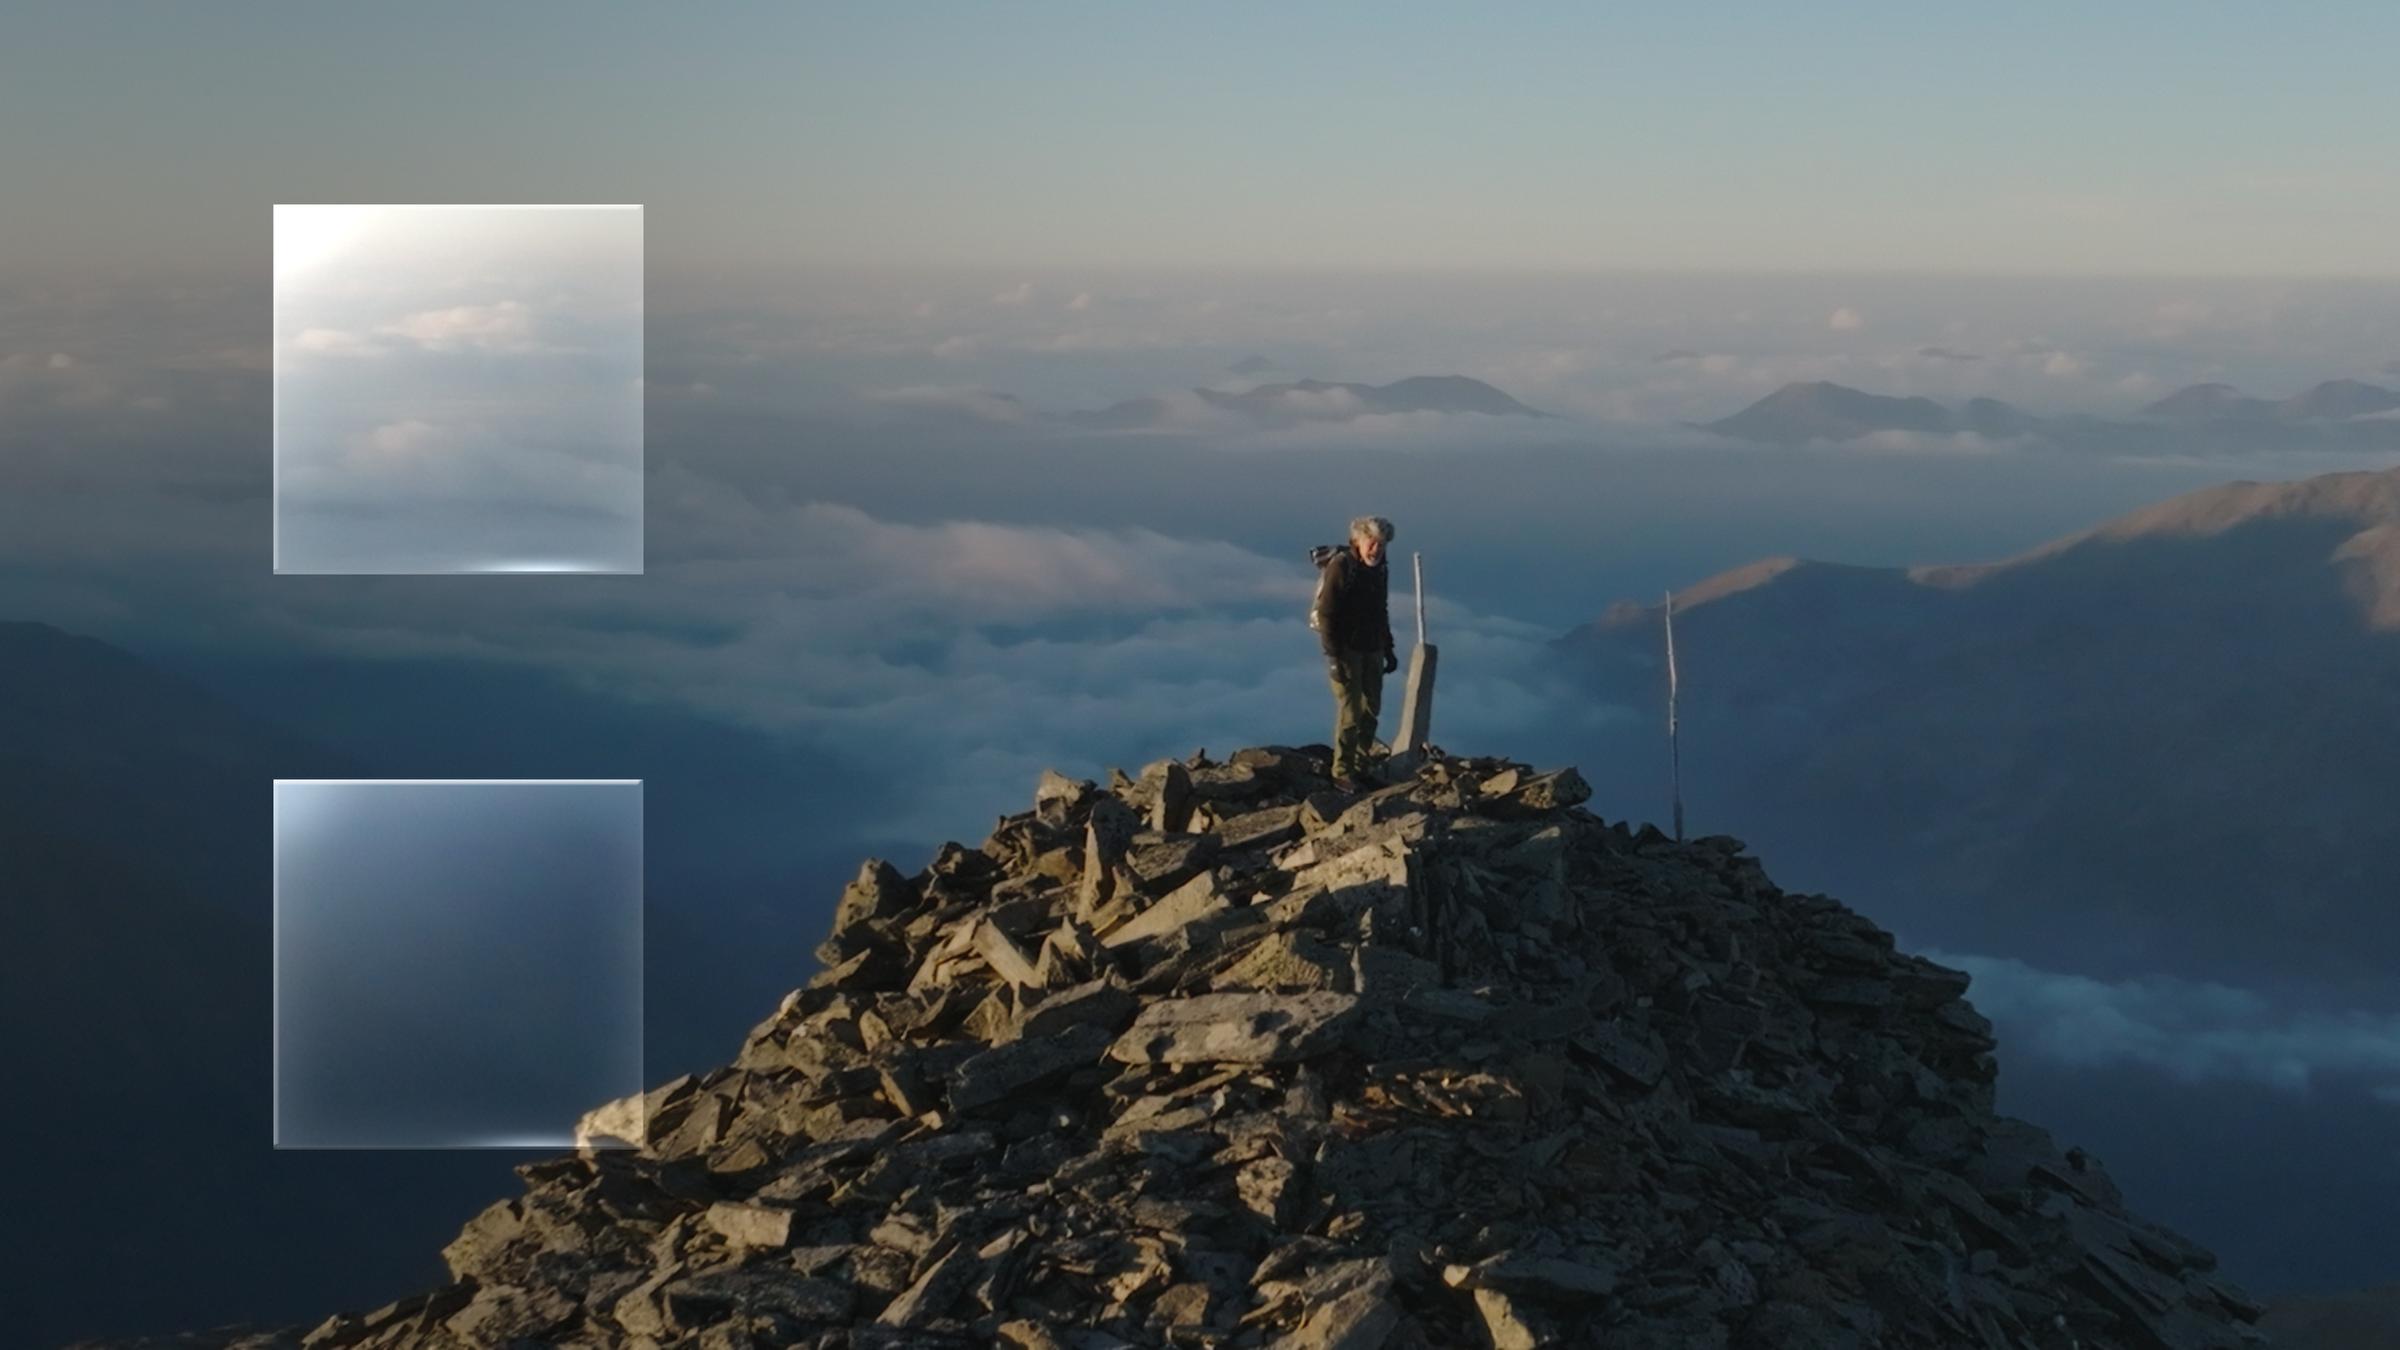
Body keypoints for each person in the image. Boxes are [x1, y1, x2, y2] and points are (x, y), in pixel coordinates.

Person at [1312, 514, 1398, 790]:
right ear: (1357, 541)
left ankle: (1361, 767)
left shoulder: (1380, 569)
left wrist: (1388, 648)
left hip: (1372, 648)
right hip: (1346, 650)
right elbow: (1326, 614)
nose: (1376, 549)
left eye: (1381, 544)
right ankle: (1342, 771)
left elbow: (1380, 609)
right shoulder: (1342, 567)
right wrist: (1333, 658)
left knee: (1371, 709)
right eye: (1372, 542)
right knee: (1350, 713)